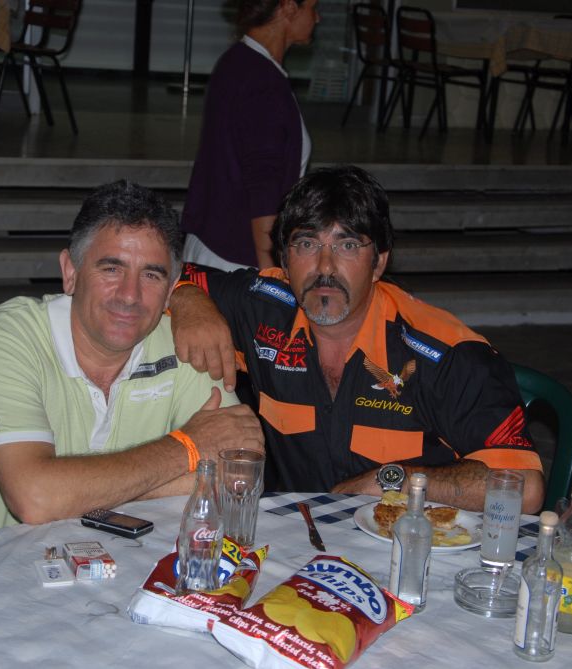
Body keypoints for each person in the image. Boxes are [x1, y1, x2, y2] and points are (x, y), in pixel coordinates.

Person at [0, 181, 263, 558]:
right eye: (111, 269)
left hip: (113, 565)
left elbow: (237, 477)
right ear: (71, 272)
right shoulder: (6, 338)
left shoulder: (186, 342)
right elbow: (35, 498)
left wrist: (77, 492)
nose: (130, 295)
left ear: (170, 290)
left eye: (151, 275)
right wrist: (188, 447)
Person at [170, 165, 545, 513]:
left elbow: (524, 488)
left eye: (347, 245)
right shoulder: (262, 310)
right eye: (306, 244)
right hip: (296, 538)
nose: (325, 267)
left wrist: (393, 480)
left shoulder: (445, 355)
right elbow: (156, 275)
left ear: (379, 262)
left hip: (410, 542)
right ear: (283, 260)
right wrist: (187, 297)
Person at [181, 0, 320, 272]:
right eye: (313, 7)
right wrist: (271, 276)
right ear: (289, 7)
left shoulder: (237, 60)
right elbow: (263, 188)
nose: (317, 18)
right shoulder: (262, 81)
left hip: (213, 247)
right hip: (237, 263)